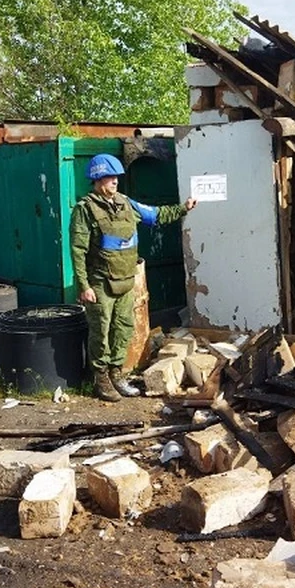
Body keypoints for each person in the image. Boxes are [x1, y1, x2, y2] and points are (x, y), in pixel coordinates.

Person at [71, 153, 196, 402]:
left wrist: (183, 208)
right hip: (101, 282)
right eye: (109, 177)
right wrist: (84, 285)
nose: (115, 181)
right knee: (101, 330)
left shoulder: (126, 203)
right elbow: (78, 250)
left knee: (123, 328)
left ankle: (117, 374)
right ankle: (101, 378)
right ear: (97, 179)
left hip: (127, 279)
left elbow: (155, 215)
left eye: (116, 177)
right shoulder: (85, 210)